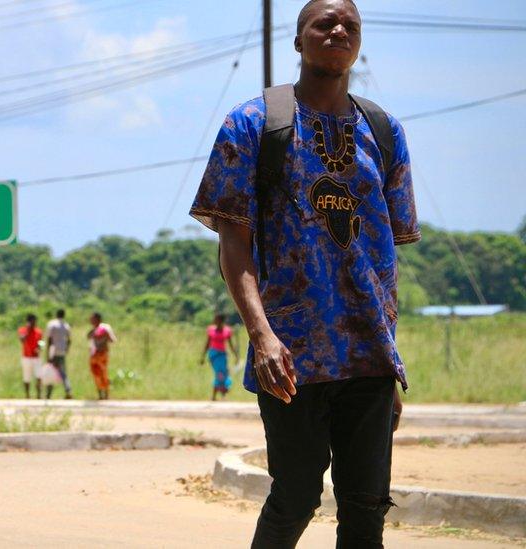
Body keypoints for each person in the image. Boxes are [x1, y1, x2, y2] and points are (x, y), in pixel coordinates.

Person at [189, 1, 417, 546]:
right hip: (290, 353)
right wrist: (261, 335)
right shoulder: (252, 124)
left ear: (358, 45)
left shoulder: (384, 131)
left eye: (350, 26)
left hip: (368, 353)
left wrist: (389, 353)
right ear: (299, 41)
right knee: (296, 494)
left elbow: (386, 256)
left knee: (367, 504)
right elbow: (234, 241)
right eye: (324, 23)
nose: (338, 31)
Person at [203, 313, 238, 401]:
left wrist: (236, 355)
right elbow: (207, 344)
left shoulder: (227, 331)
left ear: (222, 321)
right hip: (214, 355)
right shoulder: (211, 330)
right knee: (219, 374)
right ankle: (216, 395)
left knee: (223, 373)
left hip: (222, 355)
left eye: (219, 321)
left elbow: (230, 345)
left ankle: (221, 395)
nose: (217, 322)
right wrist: (203, 356)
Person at [86, 312, 117, 400]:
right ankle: (100, 394)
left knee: (103, 373)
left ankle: (106, 393)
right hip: (94, 355)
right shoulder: (93, 330)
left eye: (92, 319)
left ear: (97, 319)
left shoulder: (104, 329)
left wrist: (103, 338)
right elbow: (89, 338)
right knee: (96, 374)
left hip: (102, 354)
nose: (91, 320)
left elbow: (112, 339)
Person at [45, 309, 73, 399]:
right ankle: (68, 390)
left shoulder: (52, 324)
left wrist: (48, 353)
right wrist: (66, 349)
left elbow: (49, 339)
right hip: (62, 351)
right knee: (63, 372)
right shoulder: (66, 326)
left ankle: (48, 394)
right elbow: (69, 340)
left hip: (53, 351)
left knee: (51, 371)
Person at [17, 314, 43, 398]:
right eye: (33, 321)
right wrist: (27, 331)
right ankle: (27, 395)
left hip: (36, 357)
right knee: (26, 376)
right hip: (26, 357)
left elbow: (41, 342)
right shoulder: (23, 330)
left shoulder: (38, 331)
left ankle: (38, 395)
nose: (34, 323)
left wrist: (39, 348)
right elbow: (22, 340)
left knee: (39, 376)